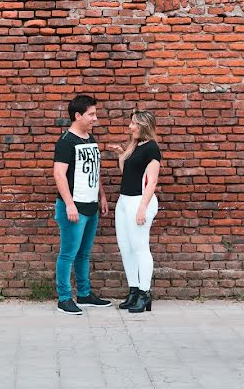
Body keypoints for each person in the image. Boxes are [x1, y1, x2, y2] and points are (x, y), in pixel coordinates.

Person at [52, 94, 111, 315]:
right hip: (73, 207)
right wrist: (69, 205)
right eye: (91, 114)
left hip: (91, 205)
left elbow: (95, 171)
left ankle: (84, 294)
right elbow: (59, 174)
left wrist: (102, 195)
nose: (95, 118)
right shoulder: (66, 142)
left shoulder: (91, 140)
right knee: (68, 254)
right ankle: (64, 298)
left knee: (83, 254)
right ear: (78, 116)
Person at [109, 111, 162, 313]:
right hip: (124, 201)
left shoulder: (152, 149)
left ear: (142, 126)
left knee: (140, 248)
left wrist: (142, 208)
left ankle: (144, 293)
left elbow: (152, 181)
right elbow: (128, 173)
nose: (130, 127)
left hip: (140, 202)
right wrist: (121, 153)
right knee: (126, 247)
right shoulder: (136, 146)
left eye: (133, 124)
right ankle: (133, 291)